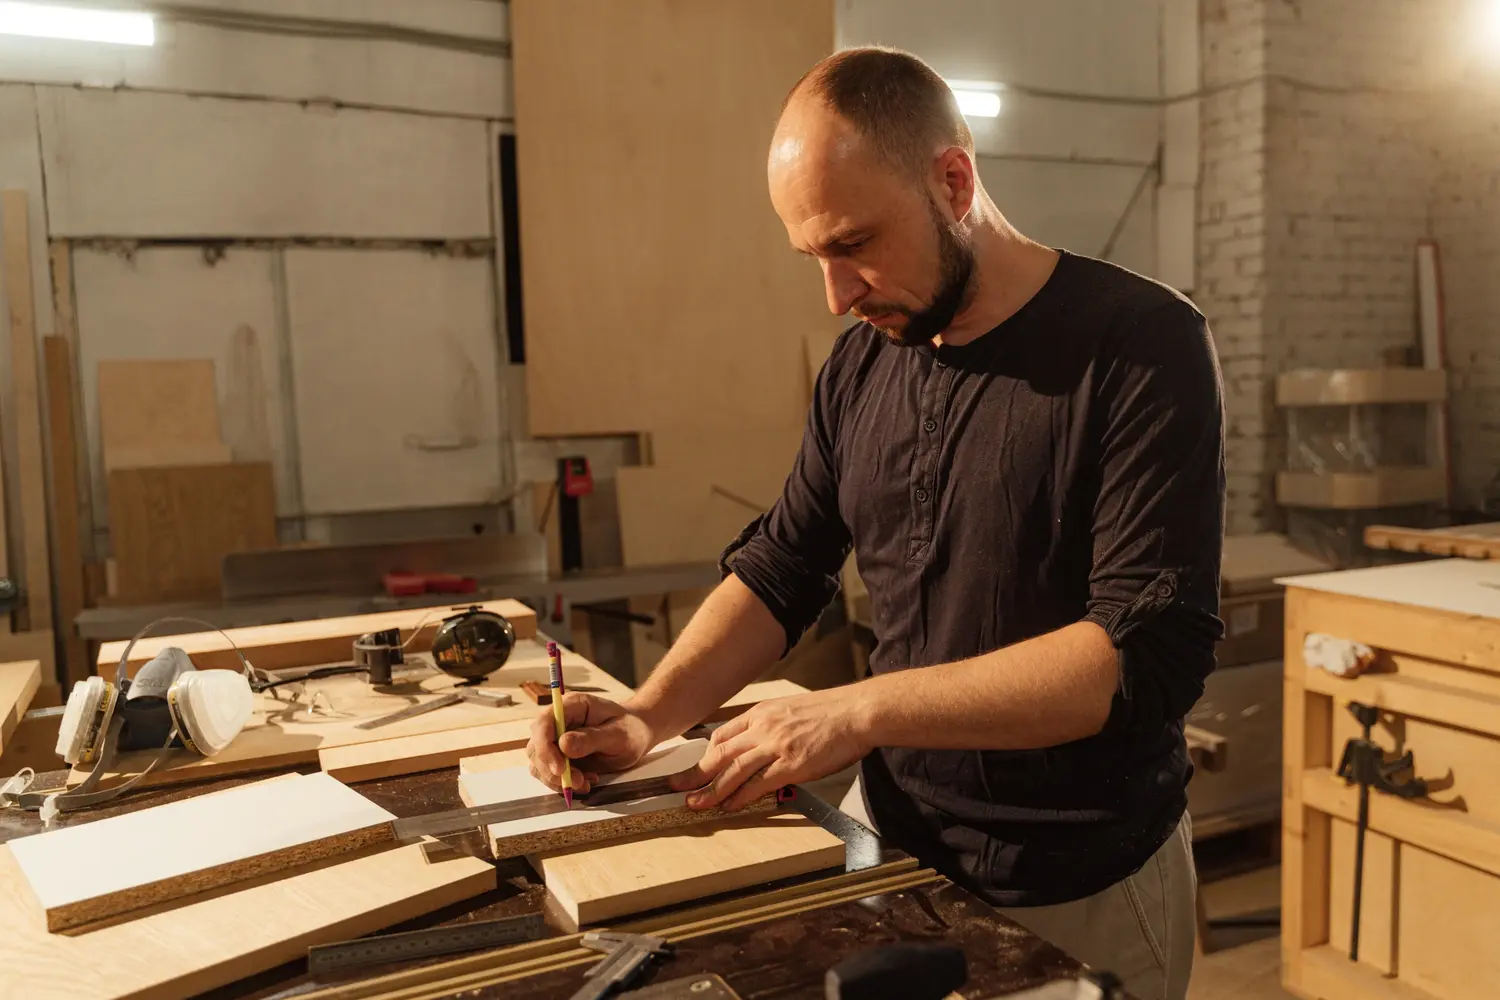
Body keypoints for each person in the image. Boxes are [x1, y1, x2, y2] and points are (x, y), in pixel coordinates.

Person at [526, 46, 1225, 1000]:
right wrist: (649, 715)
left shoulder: (1140, 345)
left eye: (853, 243)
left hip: (1080, 877)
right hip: (893, 848)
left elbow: (1140, 655)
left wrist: (857, 709)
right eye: (814, 257)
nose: (836, 294)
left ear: (953, 182)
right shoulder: (862, 366)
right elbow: (784, 566)